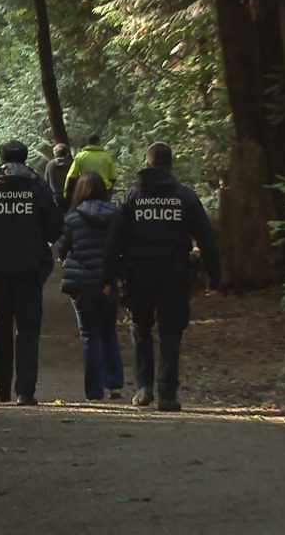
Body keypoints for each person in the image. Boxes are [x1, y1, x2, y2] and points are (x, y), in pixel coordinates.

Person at [104, 142, 220, 412]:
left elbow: (113, 241)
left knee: (141, 328)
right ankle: (167, 394)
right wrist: (214, 276)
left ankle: (144, 388)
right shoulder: (185, 197)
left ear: (147, 165)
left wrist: (106, 277)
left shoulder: (131, 198)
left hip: (138, 274)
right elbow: (207, 239)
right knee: (170, 331)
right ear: (170, 165)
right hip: (174, 274)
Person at [0, 140, 63, 405]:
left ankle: (1, 387)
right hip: (30, 268)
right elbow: (55, 227)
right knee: (28, 328)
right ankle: (26, 390)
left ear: (1, 157)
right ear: (26, 157)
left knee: (1, 327)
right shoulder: (37, 186)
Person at [57, 173, 124, 401]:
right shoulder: (116, 215)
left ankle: (94, 392)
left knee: (89, 335)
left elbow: (62, 249)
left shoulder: (73, 218)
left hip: (82, 285)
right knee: (108, 331)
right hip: (107, 282)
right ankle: (114, 383)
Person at [63, 133, 117, 208]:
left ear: (88, 143)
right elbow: (113, 177)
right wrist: (109, 190)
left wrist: (67, 195)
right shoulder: (107, 157)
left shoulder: (80, 156)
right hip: (103, 191)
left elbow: (71, 177)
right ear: (98, 142)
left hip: (84, 190)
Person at [44, 143, 73, 212]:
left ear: (55, 154)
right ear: (67, 153)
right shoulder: (72, 163)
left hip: (56, 197)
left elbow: (46, 182)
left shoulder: (50, 165)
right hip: (71, 196)